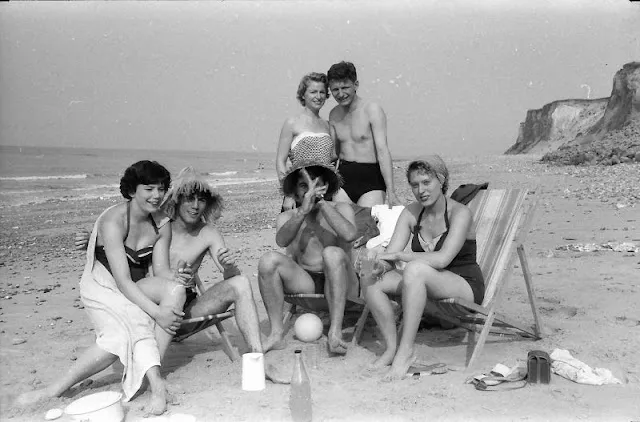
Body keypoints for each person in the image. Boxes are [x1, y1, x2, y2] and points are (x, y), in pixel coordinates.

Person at [17, 161, 191, 415]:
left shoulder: (162, 223)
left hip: (134, 284)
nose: (157, 196)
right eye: (149, 189)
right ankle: (56, 389)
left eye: (161, 188)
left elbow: (161, 271)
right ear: (132, 191)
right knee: (118, 337)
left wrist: (176, 276)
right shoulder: (114, 221)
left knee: (175, 290)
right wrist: (156, 313)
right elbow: (122, 281)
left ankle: (151, 372)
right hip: (101, 287)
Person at [73, 167, 271, 354]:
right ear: (176, 200)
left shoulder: (208, 234)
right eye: (189, 199)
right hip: (146, 308)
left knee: (241, 283)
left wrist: (229, 267)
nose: (195, 206)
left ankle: (257, 355)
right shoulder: (156, 224)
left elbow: (229, 275)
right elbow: (121, 241)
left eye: (201, 199)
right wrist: (92, 240)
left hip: (184, 311)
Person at [364, 155, 485, 380]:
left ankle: (406, 351)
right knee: (371, 280)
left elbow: (442, 259)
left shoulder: (460, 213)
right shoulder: (411, 213)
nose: (421, 190)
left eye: (427, 182)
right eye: (414, 184)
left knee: (415, 269)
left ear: (441, 180)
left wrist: (400, 255)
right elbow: (391, 251)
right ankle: (392, 348)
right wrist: (377, 263)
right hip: (424, 280)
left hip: (463, 284)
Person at [258, 158, 359, 354]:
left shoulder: (341, 209)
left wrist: (321, 204)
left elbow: (349, 235)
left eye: (317, 184)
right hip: (306, 282)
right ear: (296, 192)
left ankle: (335, 333)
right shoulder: (287, 217)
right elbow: (281, 241)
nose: (311, 191)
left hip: (344, 280)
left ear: (326, 187)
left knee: (331, 253)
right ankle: (276, 334)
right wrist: (303, 211)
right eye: (305, 186)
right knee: (268, 261)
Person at [327, 61, 399, 208]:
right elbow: (334, 154)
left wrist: (391, 191)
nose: (340, 94)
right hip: (343, 180)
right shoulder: (333, 115)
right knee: (343, 227)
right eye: (335, 89)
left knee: (365, 226)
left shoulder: (372, 110)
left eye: (345, 87)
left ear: (356, 85)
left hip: (371, 180)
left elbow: (382, 150)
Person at [276, 72, 337, 211]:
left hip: (323, 194)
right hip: (300, 193)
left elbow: (332, 160)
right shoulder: (292, 123)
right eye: (313, 92)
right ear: (303, 94)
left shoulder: (328, 125)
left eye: (322, 92)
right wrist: (289, 194)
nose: (318, 96)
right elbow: (280, 161)